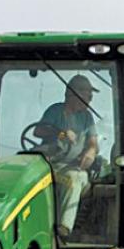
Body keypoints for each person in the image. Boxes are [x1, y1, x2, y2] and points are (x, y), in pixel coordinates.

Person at [33, 74, 100, 237]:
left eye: (91, 95)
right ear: (72, 94)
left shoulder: (87, 117)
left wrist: (91, 152)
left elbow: (93, 143)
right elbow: (38, 130)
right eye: (87, 95)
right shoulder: (55, 111)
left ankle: (64, 229)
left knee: (75, 178)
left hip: (74, 167)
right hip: (50, 166)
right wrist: (61, 133)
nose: (90, 99)